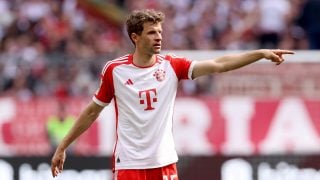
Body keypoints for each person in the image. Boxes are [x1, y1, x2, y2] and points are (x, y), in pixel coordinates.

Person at [51, 9, 294, 180]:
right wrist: (63, 147)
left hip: (164, 161)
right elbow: (93, 110)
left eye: (159, 32)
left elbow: (219, 64)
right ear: (135, 37)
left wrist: (259, 53)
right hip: (130, 164)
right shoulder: (115, 70)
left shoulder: (172, 65)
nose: (159, 37)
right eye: (151, 33)